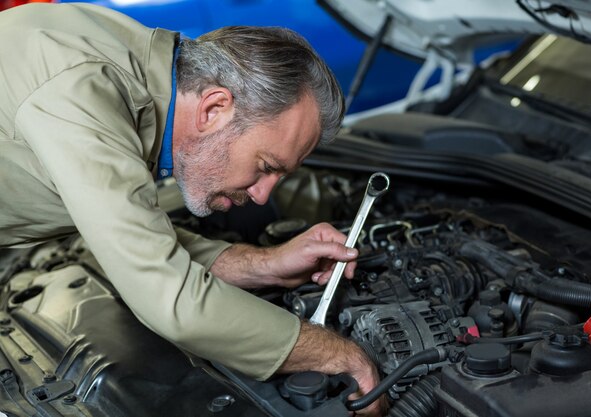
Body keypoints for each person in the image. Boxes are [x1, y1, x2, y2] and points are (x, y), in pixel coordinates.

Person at [0, 2, 383, 416]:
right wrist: (339, 355)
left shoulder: (135, 76)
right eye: (266, 167)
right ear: (214, 109)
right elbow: (171, 298)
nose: (261, 195)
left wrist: (264, 265)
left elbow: (125, 233)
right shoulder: (80, 88)